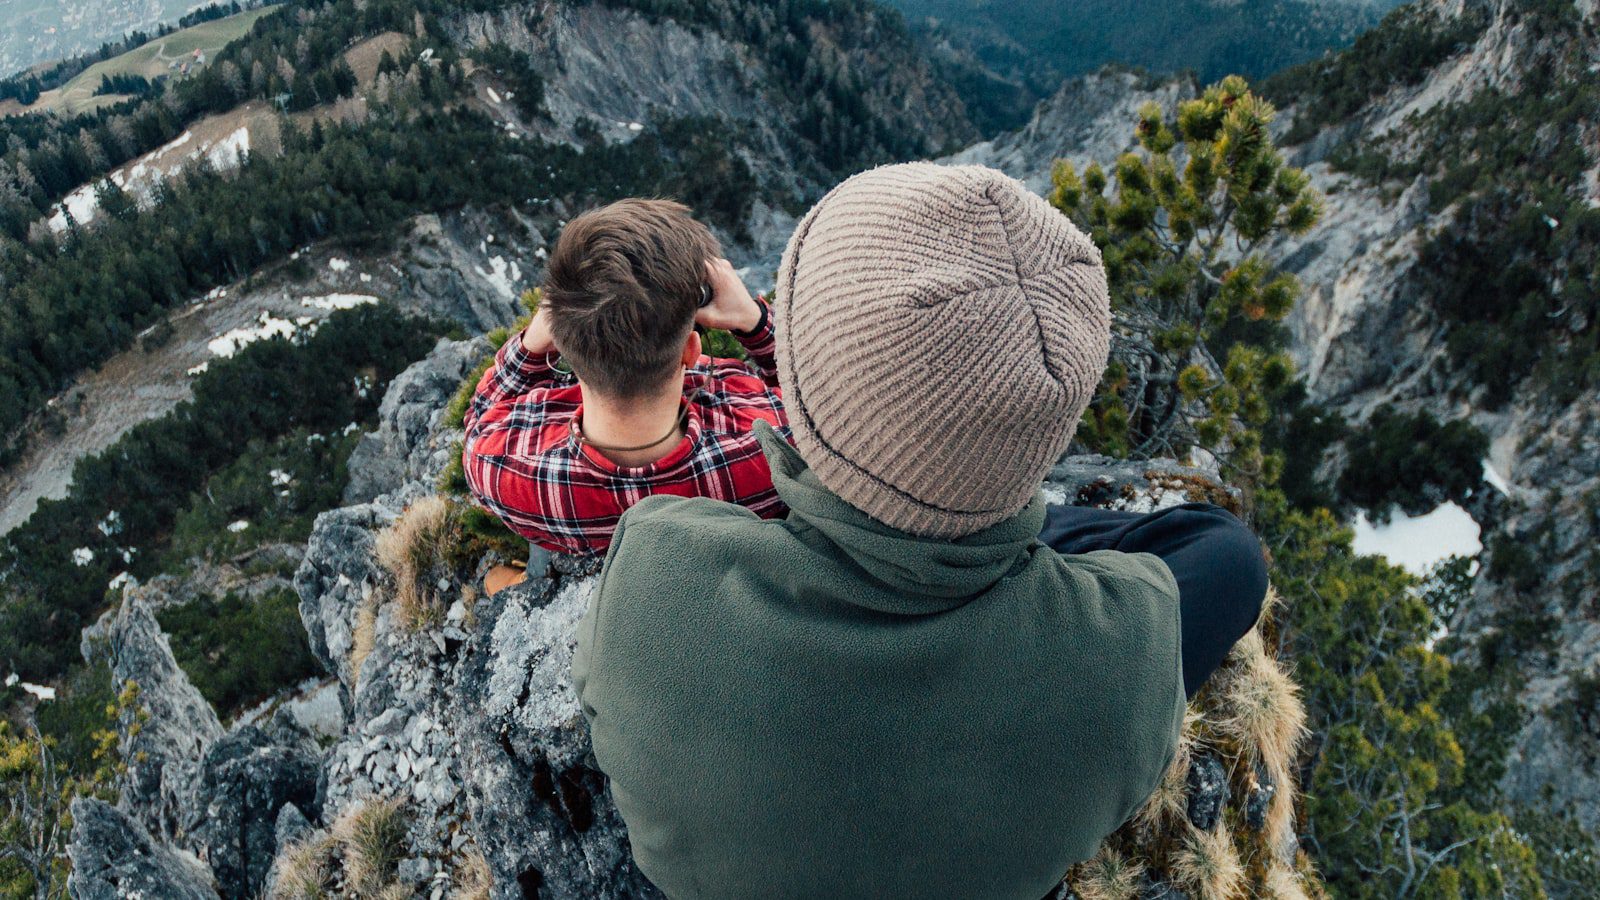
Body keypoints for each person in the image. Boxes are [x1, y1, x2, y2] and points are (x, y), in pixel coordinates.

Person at [572, 163, 1268, 899]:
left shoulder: (657, 576)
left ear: (806, 395)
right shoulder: (1120, 662)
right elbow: (1224, 560)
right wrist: (1000, 521)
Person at [462, 199, 787, 590]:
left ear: (562, 342)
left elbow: (483, 412)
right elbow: (823, 403)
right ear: (692, 350)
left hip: (581, 536)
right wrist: (753, 320)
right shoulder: (773, 446)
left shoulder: (502, 469)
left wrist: (531, 345)